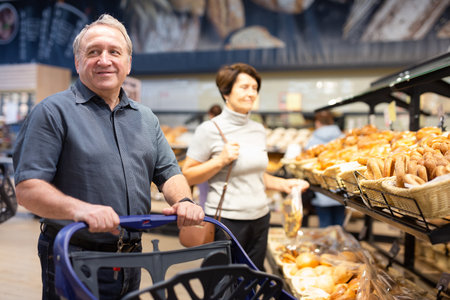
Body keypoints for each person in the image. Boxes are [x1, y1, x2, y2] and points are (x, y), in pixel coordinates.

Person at [12, 14, 204, 300]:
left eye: (114, 52)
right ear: (78, 63)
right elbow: (27, 190)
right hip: (75, 254)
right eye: (93, 52)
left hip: (133, 257)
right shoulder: (52, 112)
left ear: (128, 63)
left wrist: (184, 201)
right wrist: (81, 210)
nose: (104, 60)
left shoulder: (145, 118)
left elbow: (169, 172)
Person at [182, 63, 309, 270]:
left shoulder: (258, 129)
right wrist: (220, 160)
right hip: (227, 222)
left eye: (254, 88)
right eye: (244, 87)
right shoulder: (209, 129)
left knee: (252, 281)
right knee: (224, 285)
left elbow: (257, 175)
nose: (251, 93)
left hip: (260, 218)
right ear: (226, 92)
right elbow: (187, 175)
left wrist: (286, 184)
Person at [304, 110, 345, 228]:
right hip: (341, 188)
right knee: (339, 226)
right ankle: (338, 245)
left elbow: (308, 160)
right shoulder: (342, 138)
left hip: (322, 189)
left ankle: (327, 246)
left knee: (325, 225)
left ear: (317, 123)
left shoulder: (313, 140)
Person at [197, 104, 223, 208]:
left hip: (205, 166)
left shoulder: (205, 127)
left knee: (204, 196)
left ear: (210, 114)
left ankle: (205, 220)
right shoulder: (226, 127)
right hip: (220, 167)